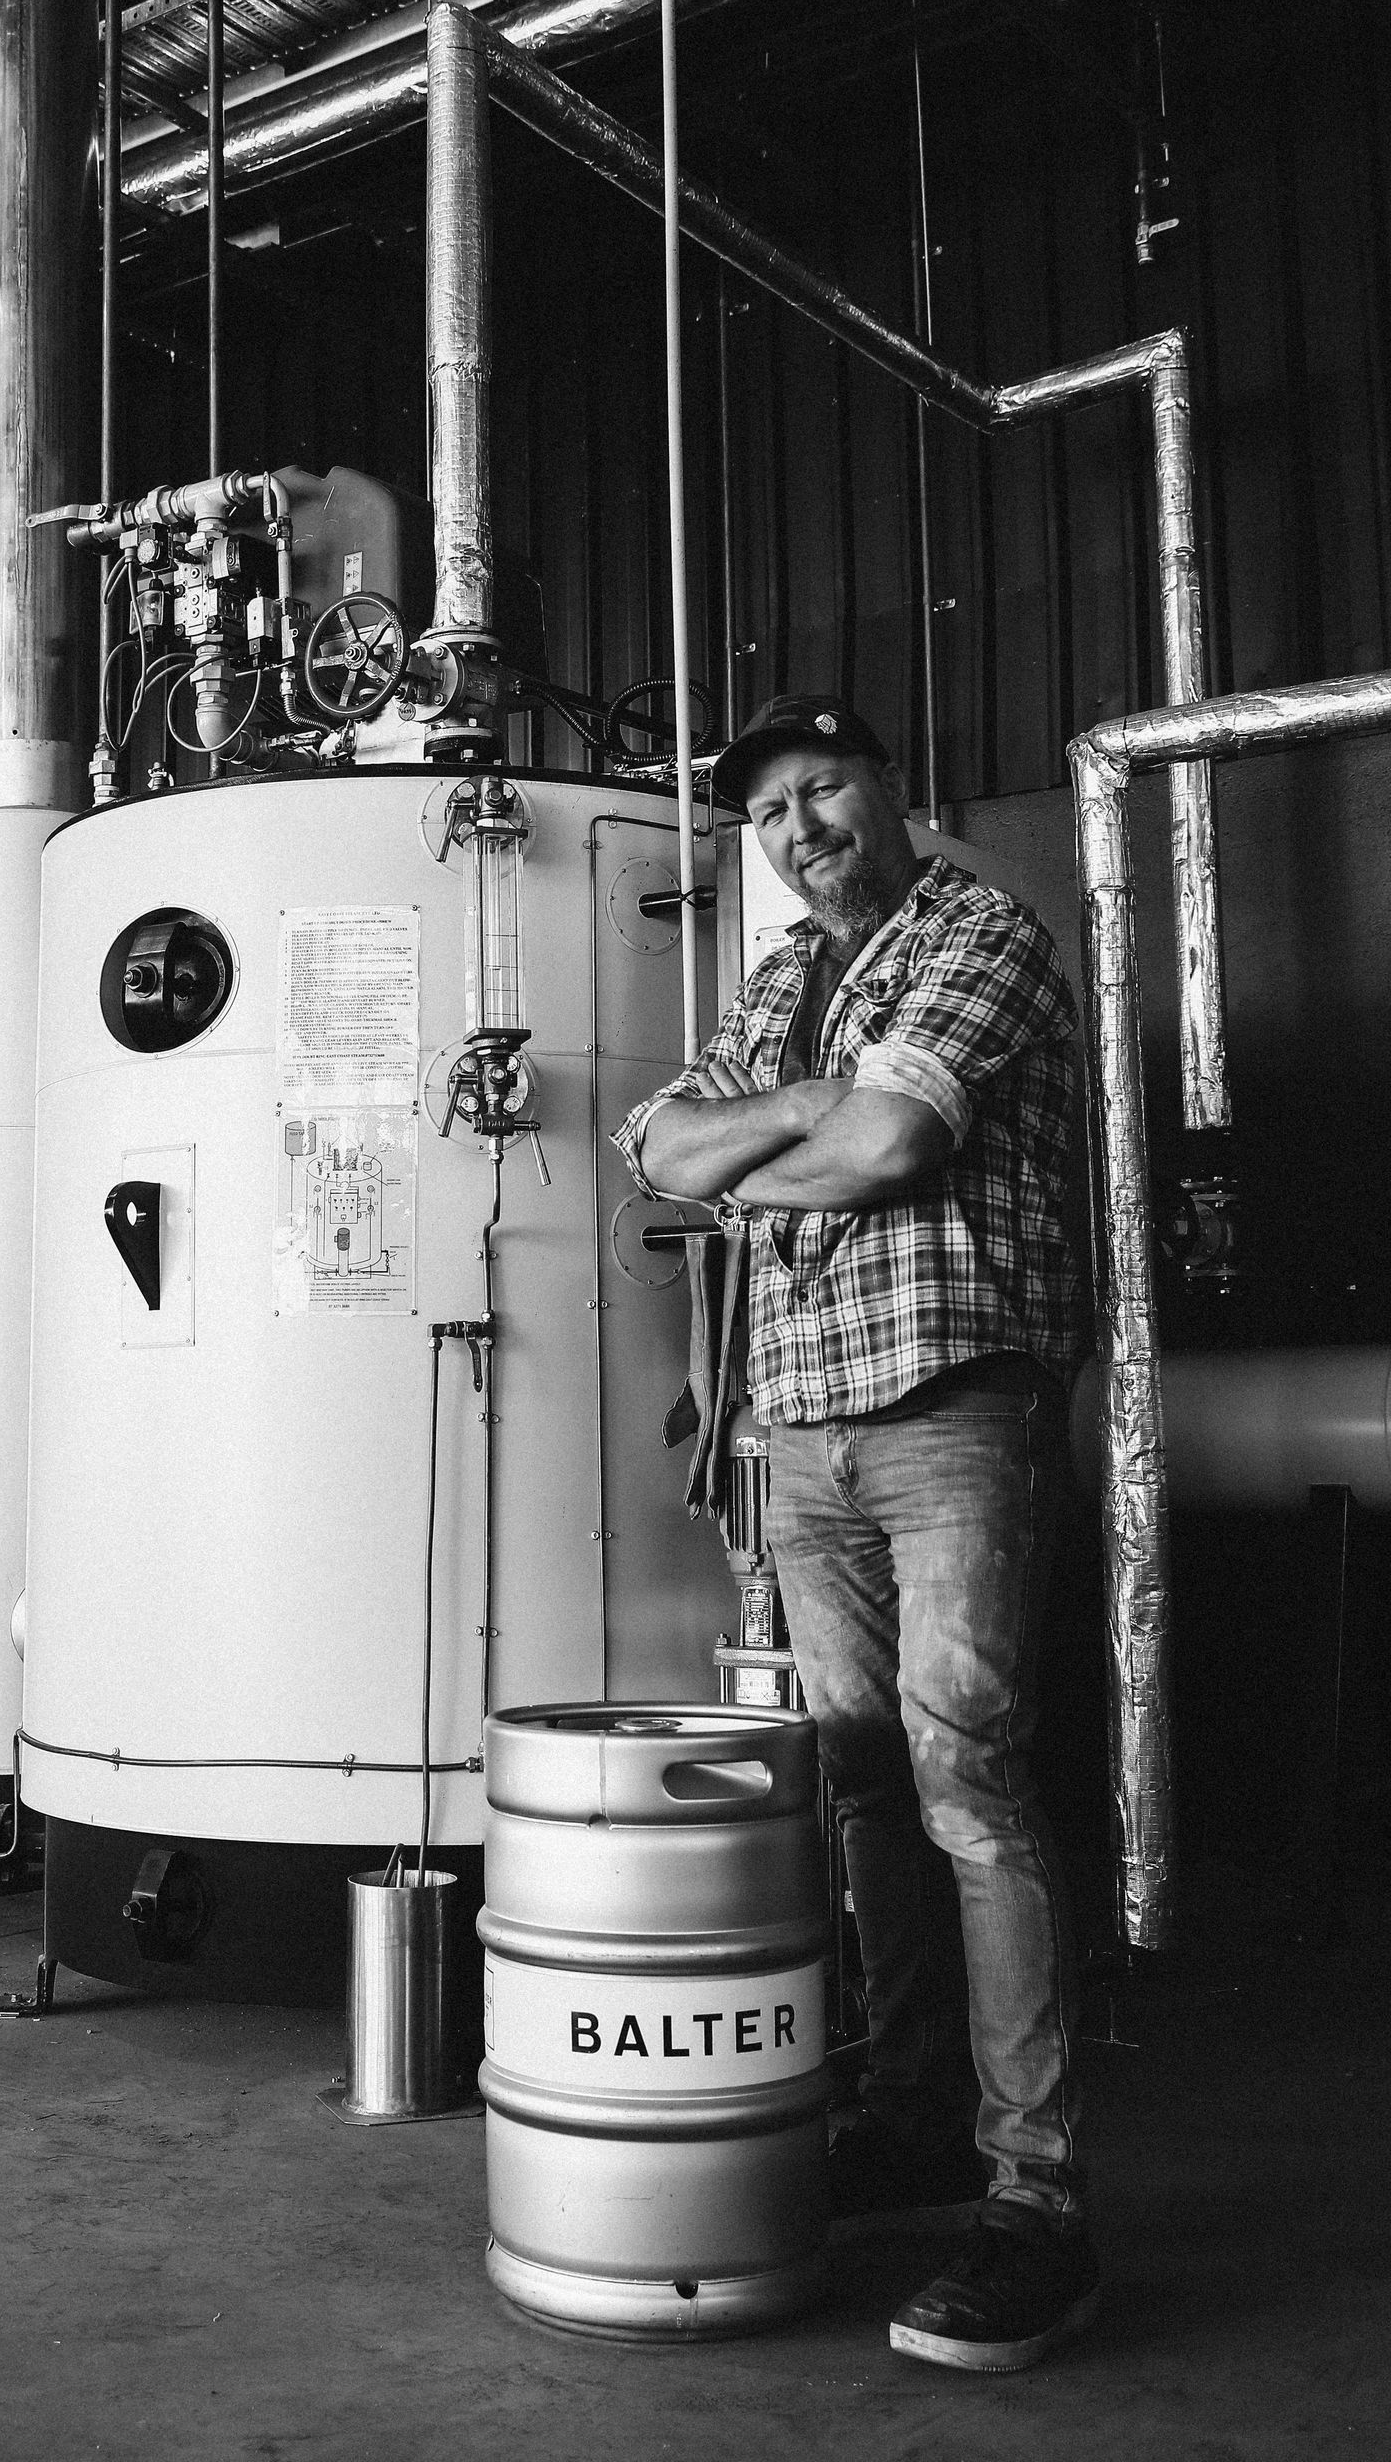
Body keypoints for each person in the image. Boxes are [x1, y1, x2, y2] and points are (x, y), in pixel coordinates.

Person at [614, 692, 1096, 2375]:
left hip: (953, 1403)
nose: (798, 827)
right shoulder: (773, 985)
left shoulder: (983, 929)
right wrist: (797, 1119)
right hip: (799, 1425)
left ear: (898, 786)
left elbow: (893, 1140)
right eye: (768, 812)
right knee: (864, 1772)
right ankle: (905, 2122)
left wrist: (772, 1151)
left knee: (972, 1777)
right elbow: (657, 1149)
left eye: (822, 788)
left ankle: (1035, 2200)